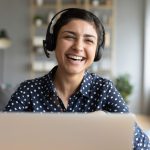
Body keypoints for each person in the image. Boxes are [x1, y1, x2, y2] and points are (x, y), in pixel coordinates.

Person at [3, 8, 150, 149]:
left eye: (89, 40)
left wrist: (106, 119)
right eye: (69, 37)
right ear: (53, 42)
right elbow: (3, 138)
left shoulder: (105, 89)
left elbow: (143, 145)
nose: (78, 47)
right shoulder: (28, 90)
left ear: (97, 51)